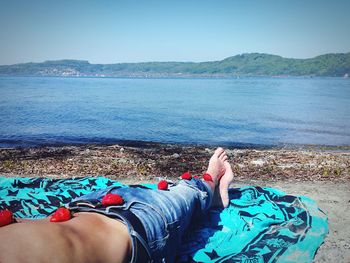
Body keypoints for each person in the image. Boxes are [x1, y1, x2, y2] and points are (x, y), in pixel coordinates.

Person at [0, 147, 234, 263]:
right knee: (187, 192)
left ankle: (206, 192)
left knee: (170, 191)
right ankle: (210, 185)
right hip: (138, 226)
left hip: (82, 207)